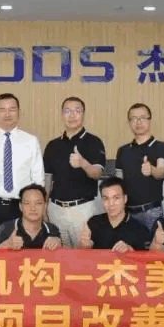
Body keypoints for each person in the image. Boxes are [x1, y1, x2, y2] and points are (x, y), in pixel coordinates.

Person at [0, 93, 45, 239]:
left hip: (22, 206)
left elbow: (38, 177)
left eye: (12, 109)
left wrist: (38, 205)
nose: (7, 114)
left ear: (19, 112)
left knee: (23, 247)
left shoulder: (31, 141)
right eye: (2, 110)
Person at [44, 96, 107, 248]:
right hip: (56, 210)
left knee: (84, 254)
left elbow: (98, 173)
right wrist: (44, 205)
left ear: (83, 114)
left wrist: (83, 163)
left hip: (83, 210)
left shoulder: (94, 142)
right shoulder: (52, 145)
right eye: (67, 111)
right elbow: (47, 179)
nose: (72, 115)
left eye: (77, 111)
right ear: (62, 114)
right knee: (60, 255)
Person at [114, 103, 164, 230]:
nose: (138, 122)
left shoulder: (161, 147)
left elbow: (161, 172)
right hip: (127, 213)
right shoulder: (123, 151)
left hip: (152, 212)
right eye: (134, 118)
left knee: (154, 243)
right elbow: (118, 183)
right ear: (129, 122)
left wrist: (152, 170)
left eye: (142, 118)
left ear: (150, 120)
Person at [78, 177, 152, 252]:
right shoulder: (93, 222)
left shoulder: (140, 229)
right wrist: (83, 246)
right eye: (106, 198)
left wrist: (130, 250)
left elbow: (145, 257)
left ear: (125, 199)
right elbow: (82, 253)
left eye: (116, 198)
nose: (111, 204)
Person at [0, 184, 62, 249]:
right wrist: (6, 245)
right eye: (27, 203)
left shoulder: (52, 230)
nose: (33, 208)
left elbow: (62, 256)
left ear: (45, 206)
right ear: (20, 206)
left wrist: (58, 244)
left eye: (38, 203)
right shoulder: (6, 228)